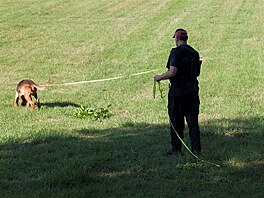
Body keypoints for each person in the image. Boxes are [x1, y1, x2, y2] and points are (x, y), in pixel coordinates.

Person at [154, 28, 202, 156]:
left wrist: (159, 77)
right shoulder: (194, 52)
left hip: (178, 92)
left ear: (176, 38)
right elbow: (197, 72)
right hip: (192, 90)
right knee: (193, 122)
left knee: (176, 121)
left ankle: (176, 149)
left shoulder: (176, 52)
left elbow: (172, 72)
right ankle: (196, 150)